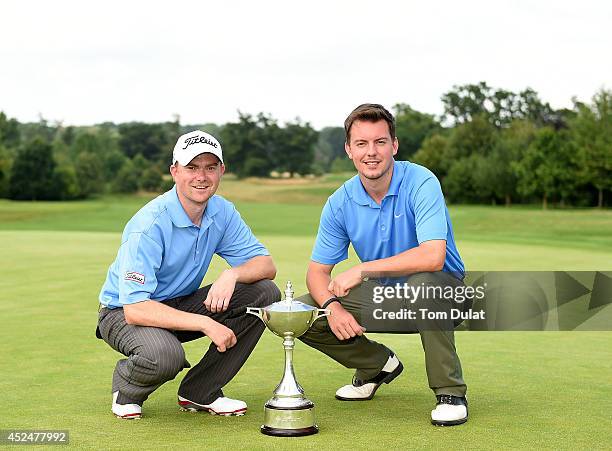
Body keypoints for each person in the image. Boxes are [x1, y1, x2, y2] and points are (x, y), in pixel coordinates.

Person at [296, 104, 469, 426]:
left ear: (394, 146)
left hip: (445, 293)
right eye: (361, 144)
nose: (371, 152)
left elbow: (433, 256)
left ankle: (450, 391)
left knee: (425, 284)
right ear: (349, 149)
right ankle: (377, 365)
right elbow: (317, 273)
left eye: (380, 142)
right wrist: (333, 307)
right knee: (304, 313)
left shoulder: (420, 181)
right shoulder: (339, 202)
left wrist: (363, 269)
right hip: (386, 298)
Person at [97, 130, 280, 419]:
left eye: (210, 167)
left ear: (222, 170)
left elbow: (266, 265)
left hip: (180, 302)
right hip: (123, 312)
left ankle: (199, 391)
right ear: (175, 171)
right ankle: (127, 388)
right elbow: (135, 308)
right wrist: (206, 323)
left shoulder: (221, 211)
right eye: (191, 167)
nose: (201, 176)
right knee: (165, 356)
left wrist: (231, 275)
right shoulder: (149, 224)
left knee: (265, 292)